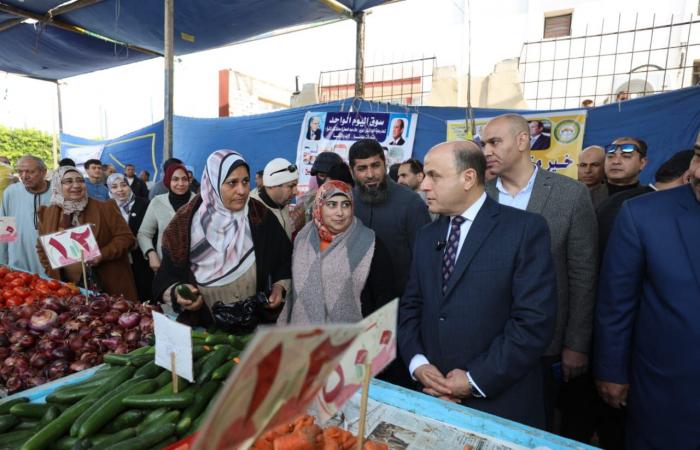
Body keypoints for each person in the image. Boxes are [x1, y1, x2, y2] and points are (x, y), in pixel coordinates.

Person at [398, 140, 556, 428]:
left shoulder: (524, 230)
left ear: (468, 178)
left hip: (500, 404)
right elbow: (411, 305)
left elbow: (533, 321)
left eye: (435, 176)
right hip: (432, 398)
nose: (424, 186)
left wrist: (473, 380)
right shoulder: (426, 235)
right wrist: (419, 364)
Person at [482, 113, 598, 427]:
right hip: (484, 342)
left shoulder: (570, 195)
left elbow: (583, 274)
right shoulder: (478, 195)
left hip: (545, 345)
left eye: (495, 142)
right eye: (483, 144)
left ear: (523, 141)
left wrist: (575, 343)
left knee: (536, 423)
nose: (486, 151)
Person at [594, 141, 700, 450]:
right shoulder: (644, 215)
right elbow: (616, 303)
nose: (696, 173)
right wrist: (611, 371)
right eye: (697, 155)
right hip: (666, 400)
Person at [152, 150, 292, 329]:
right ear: (213, 183)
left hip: (254, 324)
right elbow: (166, 277)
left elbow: (284, 258)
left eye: (245, 181)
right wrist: (178, 293)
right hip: (206, 330)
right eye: (232, 183)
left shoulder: (260, 216)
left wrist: (279, 287)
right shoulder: (183, 225)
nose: (242, 191)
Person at [280, 180, 396, 324]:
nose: (340, 212)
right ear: (319, 206)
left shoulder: (369, 243)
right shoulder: (303, 238)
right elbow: (292, 288)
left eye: (345, 205)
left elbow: (385, 300)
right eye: (332, 204)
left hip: (353, 339)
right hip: (304, 339)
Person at [36, 166, 138, 300]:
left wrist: (101, 254)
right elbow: (41, 248)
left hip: (108, 285)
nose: (76, 185)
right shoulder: (47, 213)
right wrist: (53, 273)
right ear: (57, 184)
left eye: (80, 180)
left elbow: (126, 238)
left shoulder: (105, 207)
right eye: (68, 181)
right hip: (69, 290)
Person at [349, 139, 431, 296]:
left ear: (385, 164)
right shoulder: (345, 204)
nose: (370, 174)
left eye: (375, 165)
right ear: (352, 171)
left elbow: (425, 260)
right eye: (362, 168)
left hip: (400, 304)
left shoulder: (411, 203)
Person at [596, 137, 653, 255]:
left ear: (642, 163)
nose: (616, 161)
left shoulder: (650, 199)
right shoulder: (583, 195)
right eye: (610, 156)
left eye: (626, 156)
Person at [137, 163, 193, 274]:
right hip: (165, 266)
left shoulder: (197, 202)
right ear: (168, 181)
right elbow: (143, 234)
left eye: (184, 179)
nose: (181, 184)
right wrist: (151, 253)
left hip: (195, 267)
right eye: (175, 179)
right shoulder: (157, 202)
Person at [0, 155, 52, 275]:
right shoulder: (11, 192)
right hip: (18, 259)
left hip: (49, 259)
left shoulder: (57, 192)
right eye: (20, 172)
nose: (24, 176)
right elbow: (4, 230)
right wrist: (3, 262)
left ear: (43, 172)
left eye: (30, 172)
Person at [107, 173, 153, 302]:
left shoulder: (144, 204)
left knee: (146, 295)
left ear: (129, 186)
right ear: (110, 190)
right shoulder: (108, 208)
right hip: (120, 261)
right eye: (114, 187)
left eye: (123, 185)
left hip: (142, 259)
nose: (120, 190)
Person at [249, 158, 298, 241]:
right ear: (272, 185)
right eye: (291, 186)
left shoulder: (282, 203)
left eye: (296, 185)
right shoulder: (254, 214)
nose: (295, 191)